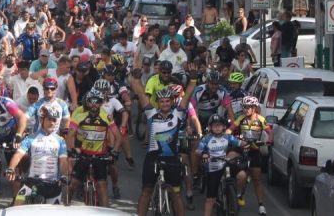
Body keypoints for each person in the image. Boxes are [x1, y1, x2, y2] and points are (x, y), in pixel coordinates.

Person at [129, 63, 199, 216]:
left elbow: (187, 96)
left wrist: (193, 80)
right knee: (146, 191)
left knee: (176, 193)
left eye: (168, 101)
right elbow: (141, 95)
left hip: (172, 159)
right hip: (152, 158)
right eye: (162, 102)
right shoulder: (151, 114)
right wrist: (136, 79)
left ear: (172, 102)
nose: (165, 104)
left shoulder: (178, 114)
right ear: (158, 103)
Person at [6, 104, 70, 206]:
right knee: (17, 205)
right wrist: (11, 168)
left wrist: (64, 175)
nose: (52, 123)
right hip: (31, 183)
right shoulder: (30, 138)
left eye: (54, 120)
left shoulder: (60, 141)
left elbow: (63, 161)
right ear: (42, 120)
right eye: (49, 119)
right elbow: (18, 155)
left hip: (52, 185)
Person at [67, 88, 121, 207]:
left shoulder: (106, 116)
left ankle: (105, 213)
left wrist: (115, 151)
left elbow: (118, 136)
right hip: (84, 155)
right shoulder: (80, 115)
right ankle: (65, 207)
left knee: (102, 187)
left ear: (101, 102)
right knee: (73, 184)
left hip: (100, 156)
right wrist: (71, 150)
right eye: (91, 101)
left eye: (97, 101)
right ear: (87, 102)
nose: (94, 104)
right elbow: (70, 134)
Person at [196, 114, 245, 216]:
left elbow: (240, 143)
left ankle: (238, 195)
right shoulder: (206, 139)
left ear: (224, 126)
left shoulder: (228, 137)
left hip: (225, 164)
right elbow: (197, 151)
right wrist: (204, 154)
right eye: (215, 125)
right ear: (210, 127)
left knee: (242, 175)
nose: (217, 127)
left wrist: (247, 144)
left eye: (219, 125)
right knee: (211, 199)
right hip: (212, 167)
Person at [231, 96, 272, 215]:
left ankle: (261, 205)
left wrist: (269, 140)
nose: (245, 110)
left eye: (248, 107)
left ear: (254, 108)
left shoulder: (261, 119)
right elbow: (231, 129)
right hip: (243, 150)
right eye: (244, 107)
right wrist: (227, 135)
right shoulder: (241, 118)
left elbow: (270, 132)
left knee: (257, 180)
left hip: (254, 152)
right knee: (239, 174)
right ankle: (238, 194)